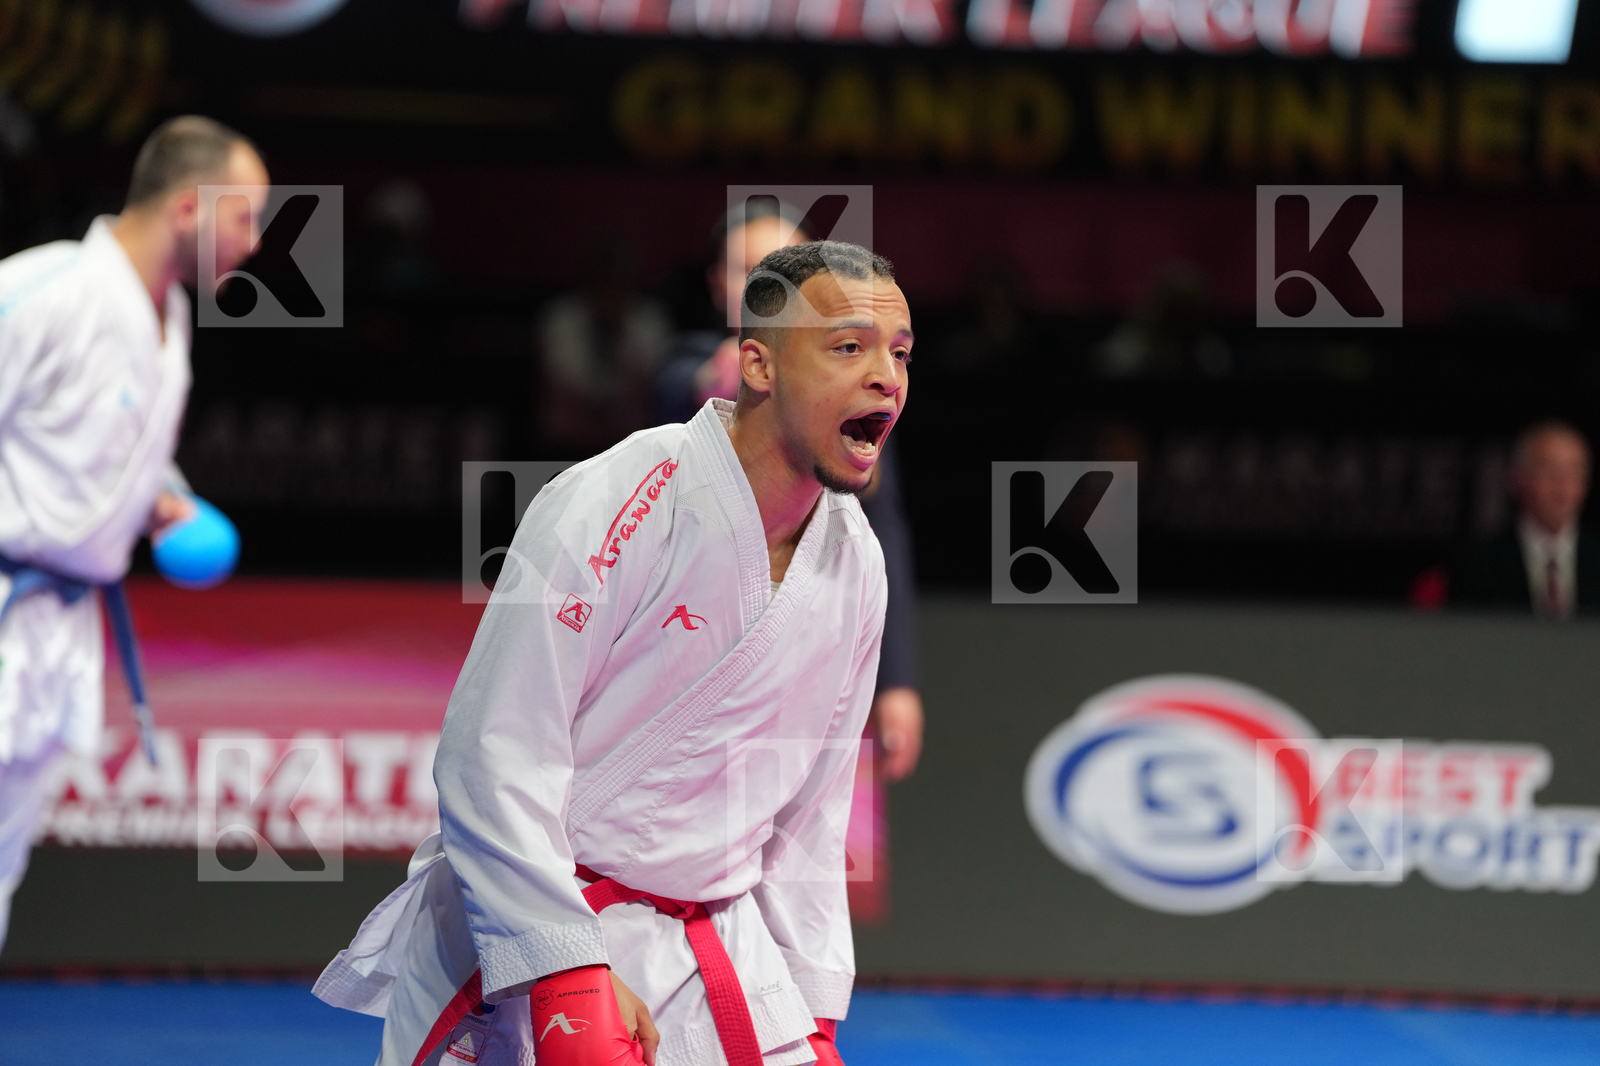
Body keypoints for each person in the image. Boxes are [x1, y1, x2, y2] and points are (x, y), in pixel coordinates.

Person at [315, 240, 911, 1066]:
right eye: (849, 347)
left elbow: (810, 821)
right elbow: (493, 751)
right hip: (535, 918)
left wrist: (812, 1008)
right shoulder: (616, 499)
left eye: (900, 352)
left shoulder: (856, 563)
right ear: (759, 365)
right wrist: (566, 966)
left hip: (714, 948)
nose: (887, 375)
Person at [0, 116, 268, 948]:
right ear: (189, 206)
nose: (253, 243)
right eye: (245, 217)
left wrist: (160, 494)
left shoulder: (171, 319)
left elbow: (110, 441)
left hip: (59, 628)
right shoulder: (46, 290)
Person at [1451, 420, 1600, 619]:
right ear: (1516, 479)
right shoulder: (1477, 566)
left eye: (1574, 471)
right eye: (1549, 470)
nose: (1563, 486)